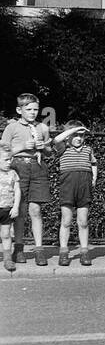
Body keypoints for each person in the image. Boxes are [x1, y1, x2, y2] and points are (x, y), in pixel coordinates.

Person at [1, 92, 52, 265]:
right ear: (19, 109)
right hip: (18, 167)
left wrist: (43, 148)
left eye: (36, 109)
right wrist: (22, 146)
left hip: (37, 168)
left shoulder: (43, 128)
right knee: (21, 211)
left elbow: (50, 152)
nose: (33, 112)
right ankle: (19, 248)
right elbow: (3, 153)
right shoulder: (12, 128)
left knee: (35, 210)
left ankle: (39, 250)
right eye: (28, 109)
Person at [52, 120, 97, 266]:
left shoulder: (88, 149)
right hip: (68, 188)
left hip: (84, 187)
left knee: (83, 222)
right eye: (75, 135)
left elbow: (94, 163)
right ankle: (64, 252)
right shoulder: (62, 148)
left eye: (82, 135)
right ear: (68, 136)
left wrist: (94, 177)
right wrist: (74, 129)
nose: (79, 138)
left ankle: (84, 252)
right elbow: (56, 139)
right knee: (66, 221)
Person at [0, 146, 21, 272]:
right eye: (6, 160)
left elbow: (17, 190)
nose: (9, 163)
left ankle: (8, 259)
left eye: (10, 160)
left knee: (6, 234)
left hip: (7, 209)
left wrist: (16, 207)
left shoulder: (13, 174)